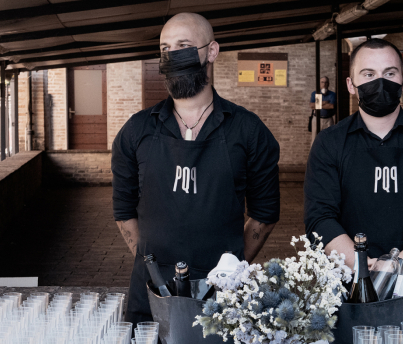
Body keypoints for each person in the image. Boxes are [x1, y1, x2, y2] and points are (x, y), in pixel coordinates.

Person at [112, 13, 280, 326]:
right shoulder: (135, 132)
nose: (173, 55)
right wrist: (151, 263)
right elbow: (123, 212)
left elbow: (265, 213)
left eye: (184, 46)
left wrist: (229, 266)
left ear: (211, 51)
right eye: (165, 48)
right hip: (149, 296)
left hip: (222, 296)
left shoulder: (248, 130)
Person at [304, 39, 403, 281]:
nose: (380, 82)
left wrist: (400, 264)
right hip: (349, 283)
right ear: (351, 84)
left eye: (389, 73)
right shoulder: (329, 143)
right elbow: (320, 218)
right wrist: (362, 266)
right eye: (368, 74)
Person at [310, 76, 336, 144]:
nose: (324, 84)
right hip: (317, 118)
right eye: (322, 82)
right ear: (319, 83)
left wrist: (318, 104)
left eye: (326, 82)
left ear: (328, 84)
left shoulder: (332, 94)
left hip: (328, 119)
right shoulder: (315, 93)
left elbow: (331, 106)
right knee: (315, 139)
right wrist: (324, 102)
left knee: (329, 139)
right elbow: (312, 106)